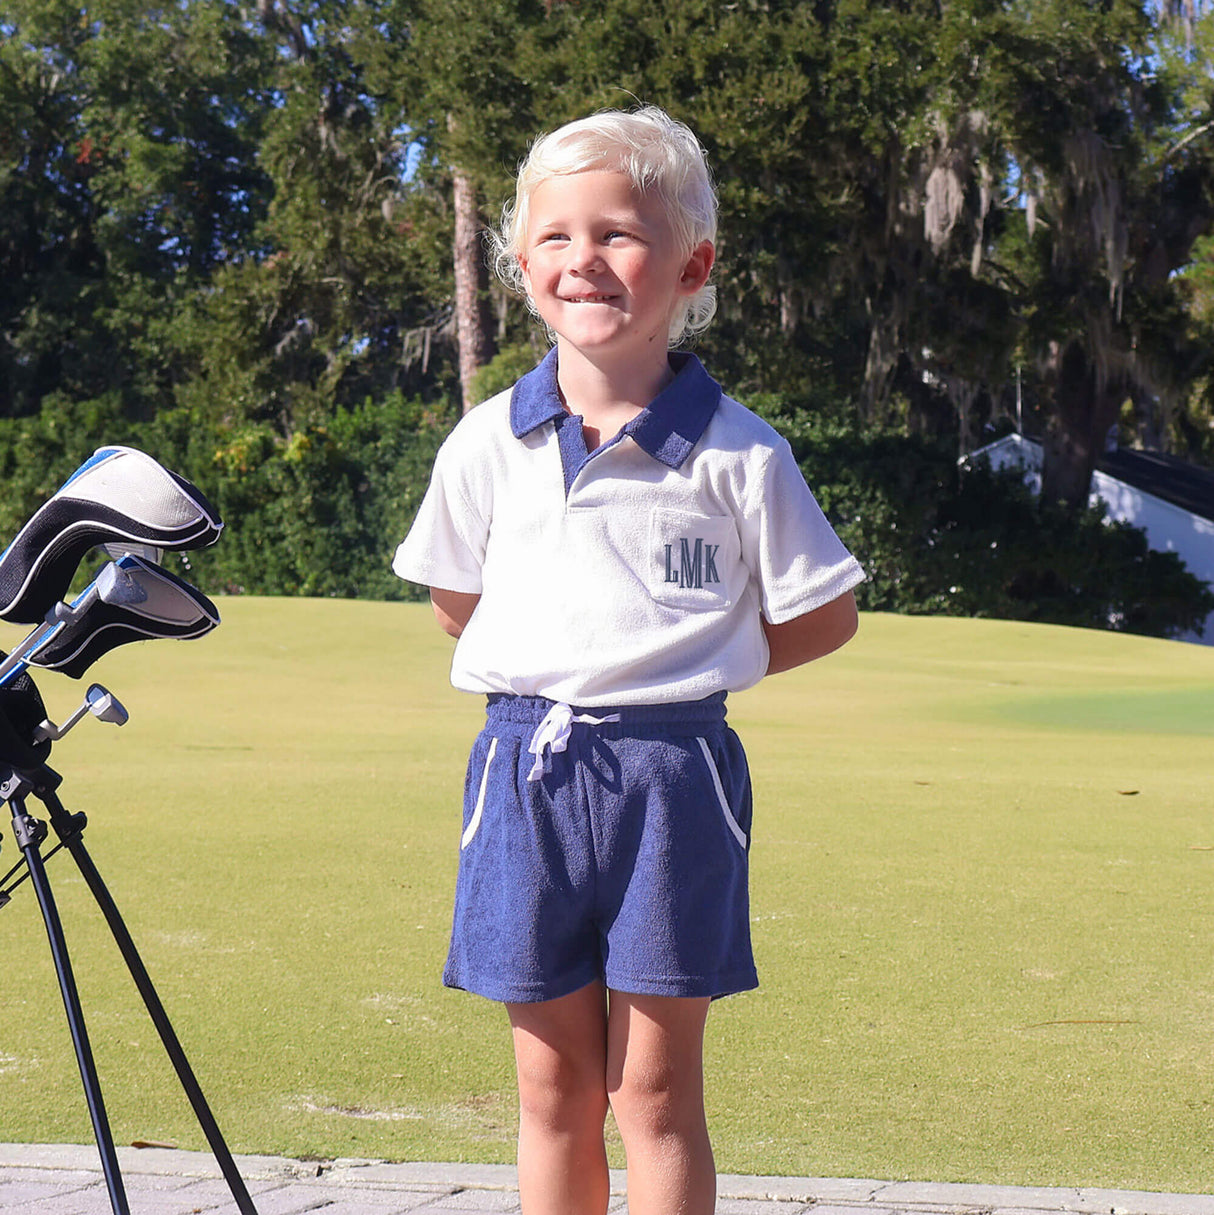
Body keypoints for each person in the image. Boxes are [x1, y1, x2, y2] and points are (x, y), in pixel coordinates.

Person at [392, 105, 865, 1215]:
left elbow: (824, 615)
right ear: (519, 263)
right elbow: (455, 600)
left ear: (690, 263)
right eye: (555, 237)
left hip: (674, 780)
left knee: (651, 1091)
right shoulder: (483, 444)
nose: (583, 260)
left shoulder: (741, 453)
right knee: (550, 1085)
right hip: (522, 774)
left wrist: (682, 665)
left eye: (617, 233)